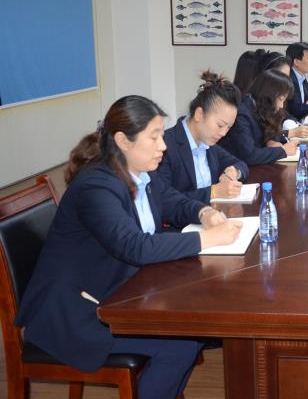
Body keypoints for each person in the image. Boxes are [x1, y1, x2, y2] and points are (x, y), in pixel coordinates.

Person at [15, 95, 241, 399]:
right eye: (154, 137)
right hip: (77, 313)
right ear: (123, 141)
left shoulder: (139, 172)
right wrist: (207, 239)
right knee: (181, 344)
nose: (163, 146)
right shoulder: (96, 186)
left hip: (118, 290)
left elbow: (172, 200)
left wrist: (204, 213)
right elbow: (133, 246)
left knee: (196, 329)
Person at [156, 70, 249, 203]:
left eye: (229, 127)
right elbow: (165, 201)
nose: (223, 133)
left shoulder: (208, 144)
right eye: (220, 125)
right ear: (199, 114)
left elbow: (241, 164)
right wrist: (214, 192)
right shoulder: (165, 147)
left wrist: (234, 171)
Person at [218, 69, 299, 165]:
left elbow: (270, 130)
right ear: (269, 95)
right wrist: (283, 151)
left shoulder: (261, 107)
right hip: (232, 168)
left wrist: (271, 141)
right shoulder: (242, 114)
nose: (281, 106)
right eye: (281, 99)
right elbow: (249, 156)